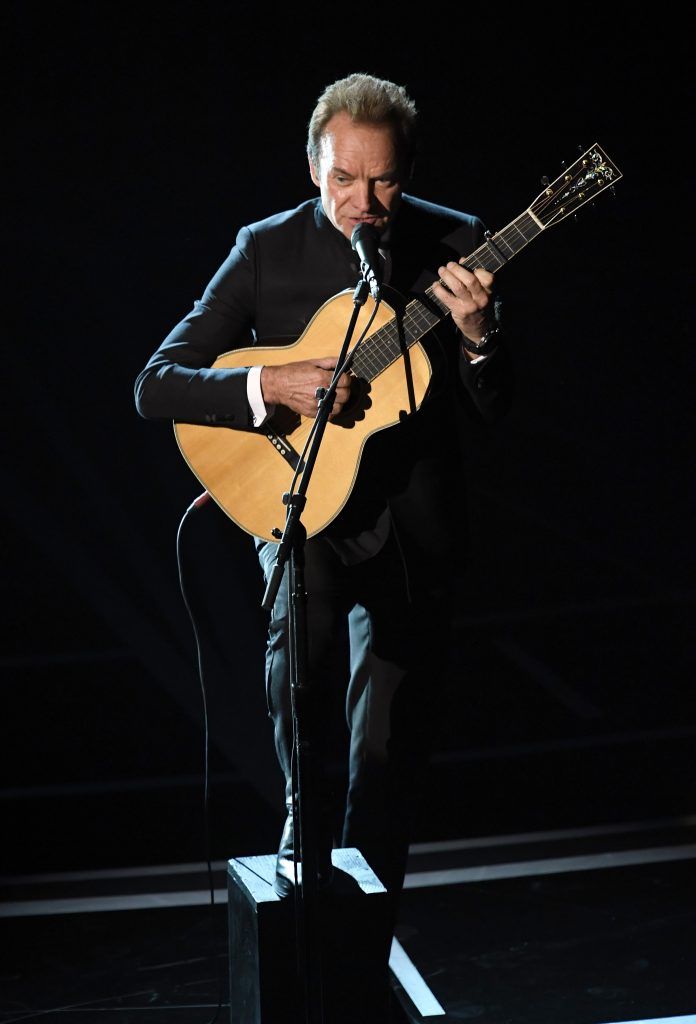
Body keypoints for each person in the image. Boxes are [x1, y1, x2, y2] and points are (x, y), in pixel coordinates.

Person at [134, 72, 513, 1014]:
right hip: (301, 515)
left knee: (387, 751)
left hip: (410, 536)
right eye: (344, 180)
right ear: (314, 167)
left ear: (408, 174)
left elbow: (497, 409)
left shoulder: (453, 241)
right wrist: (277, 389)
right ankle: (303, 855)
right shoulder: (265, 251)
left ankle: (357, 961)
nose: (362, 204)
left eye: (382, 183)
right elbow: (158, 382)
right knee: (299, 664)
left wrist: (477, 341)